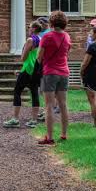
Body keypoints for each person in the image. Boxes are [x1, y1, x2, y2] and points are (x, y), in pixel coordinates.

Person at [36, 11, 71, 145]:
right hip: (64, 72)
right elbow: (67, 53)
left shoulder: (47, 36)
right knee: (63, 104)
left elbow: (39, 57)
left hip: (50, 72)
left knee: (49, 105)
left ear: (51, 22)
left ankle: (49, 137)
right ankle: (64, 134)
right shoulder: (67, 36)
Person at [4, 21, 43, 128]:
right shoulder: (40, 39)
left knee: (17, 91)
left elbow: (23, 57)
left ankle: (15, 119)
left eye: (29, 27)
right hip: (36, 69)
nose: (28, 29)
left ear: (34, 29)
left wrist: (23, 52)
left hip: (27, 69)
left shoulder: (30, 40)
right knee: (34, 93)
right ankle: (34, 120)